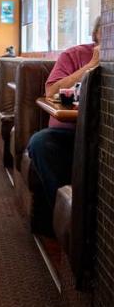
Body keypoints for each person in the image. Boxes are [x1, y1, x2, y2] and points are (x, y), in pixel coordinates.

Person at [27, 18, 101, 212]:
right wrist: (92, 65)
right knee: (40, 143)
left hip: (104, 137)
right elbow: (51, 92)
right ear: (96, 34)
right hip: (70, 133)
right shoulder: (74, 55)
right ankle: (68, 214)